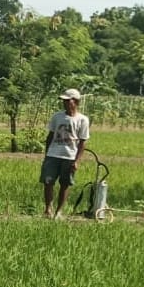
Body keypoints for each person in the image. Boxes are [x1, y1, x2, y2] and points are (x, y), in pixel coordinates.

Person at [41, 88, 90, 218]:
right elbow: (50, 136)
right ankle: (48, 209)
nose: (65, 103)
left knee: (65, 184)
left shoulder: (82, 120)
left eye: (68, 100)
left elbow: (82, 142)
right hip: (53, 154)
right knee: (48, 182)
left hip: (69, 156)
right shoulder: (57, 117)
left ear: (75, 101)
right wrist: (47, 155)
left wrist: (77, 161)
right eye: (64, 101)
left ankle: (59, 211)